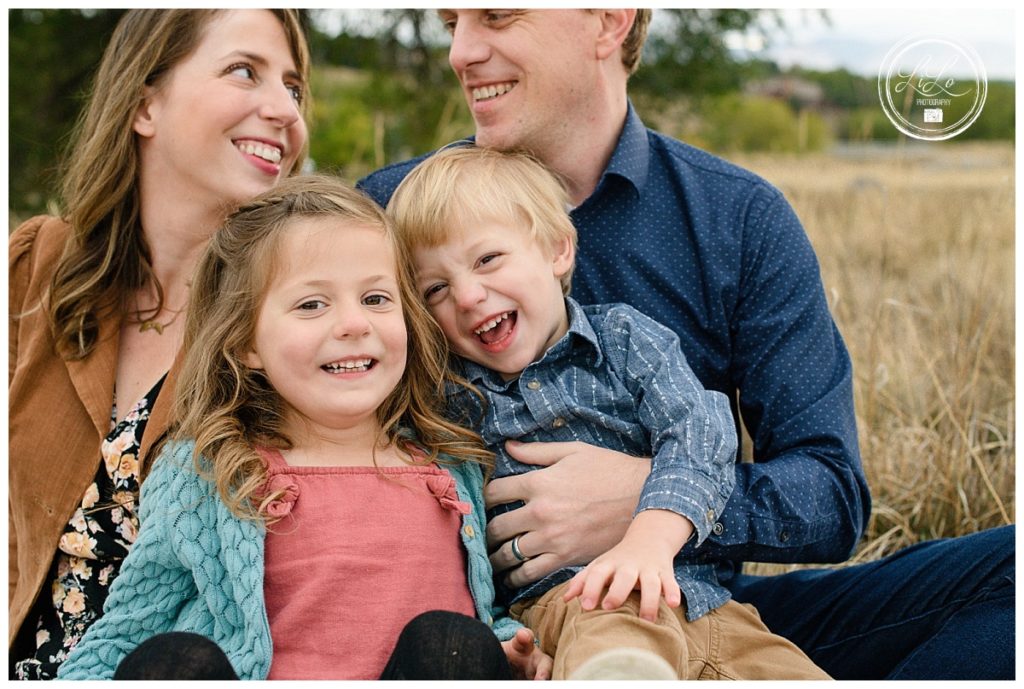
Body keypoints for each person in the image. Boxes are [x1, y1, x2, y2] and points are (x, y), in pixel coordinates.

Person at [358, 9, 1015, 680]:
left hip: (706, 599)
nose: (461, 51)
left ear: (609, 21)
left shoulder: (735, 216)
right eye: (452, 24)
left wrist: (650, 498)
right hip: (519, 622)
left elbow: (831, 493)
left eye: (496, 15)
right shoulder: (385, 213)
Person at [56, 175, 552, 680]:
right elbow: (129, 628)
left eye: (376, 299)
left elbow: (477, 608)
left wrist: (506, 647)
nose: (354, 324)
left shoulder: (449, 464)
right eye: (312, 304)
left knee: (453, 640)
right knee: (173, 658)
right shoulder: (211, 472)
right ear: (246, 341)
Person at [387, 144, 832, 680]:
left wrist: (651, 535)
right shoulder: (449, 400)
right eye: (436, 288)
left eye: (487, 260)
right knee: (616, 658)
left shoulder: (626, 341)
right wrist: (502, 633)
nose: (467, 295)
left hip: (703, 601)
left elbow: (700, 431)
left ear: (557, 250)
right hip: (579, 605)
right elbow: (446, 539)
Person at [8, 9, 312, 679]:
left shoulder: (296, 326)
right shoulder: (34, 269)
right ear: (146, 105)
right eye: (245, 71)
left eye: (292, 88)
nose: (285, 111)